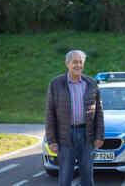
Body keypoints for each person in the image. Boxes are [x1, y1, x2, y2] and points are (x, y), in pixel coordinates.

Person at [45, 50, 104, 186]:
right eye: (74, 62)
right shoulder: (56, 84)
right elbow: (49, 113)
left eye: (80, 62)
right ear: (67, 64)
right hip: (65, 136)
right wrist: (52, 140)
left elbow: (99, 112)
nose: (78, 65)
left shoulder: (91, 83)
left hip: (86, 135)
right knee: (65, 177)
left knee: (88, 177)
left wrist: (99, 135)